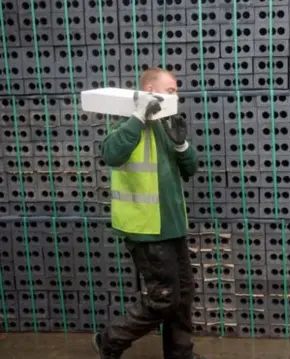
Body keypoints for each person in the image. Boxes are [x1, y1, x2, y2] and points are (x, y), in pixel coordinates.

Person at [92, 67, 213, 359]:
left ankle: (180, 354)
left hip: (172, 227)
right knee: (164, 300)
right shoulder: (127, 128)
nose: (176, 96)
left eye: (176, 91)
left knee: (182, 296)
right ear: (150, 92)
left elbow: (191, 169)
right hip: (146, 229)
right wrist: (137, 116)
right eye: (170, 90)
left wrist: (182, 144)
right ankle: (110, 340)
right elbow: (110, 155)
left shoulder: (167, 126)